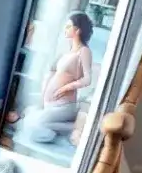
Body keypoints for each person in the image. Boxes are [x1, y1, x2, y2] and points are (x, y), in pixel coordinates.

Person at [15, 11, 94, 144]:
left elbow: (87, 79)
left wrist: (64, 88)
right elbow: (53, 72)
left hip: (65, 104)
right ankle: (62, 128)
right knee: (28, 121)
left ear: (77, 30)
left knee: (32, 124)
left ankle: (72, 128)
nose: (65, 29)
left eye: (68, 26)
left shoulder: (84, 51)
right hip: (50, 104)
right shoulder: (67, 51)